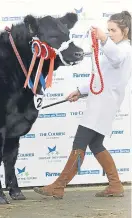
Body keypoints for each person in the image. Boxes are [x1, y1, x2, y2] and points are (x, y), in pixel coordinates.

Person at [34, 10, 132, 199]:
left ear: (125, 31)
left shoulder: (125, 50)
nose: (109, 33)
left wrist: (104, 40)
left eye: (113, 30)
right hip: (102, 102)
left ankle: (59, 186)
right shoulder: (116, 48)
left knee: (80, 143)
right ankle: (116, 184)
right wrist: (80, 91)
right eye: (108, 30)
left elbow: (116, 58)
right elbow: (100, 78)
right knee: (96, 144)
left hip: (103, 104)